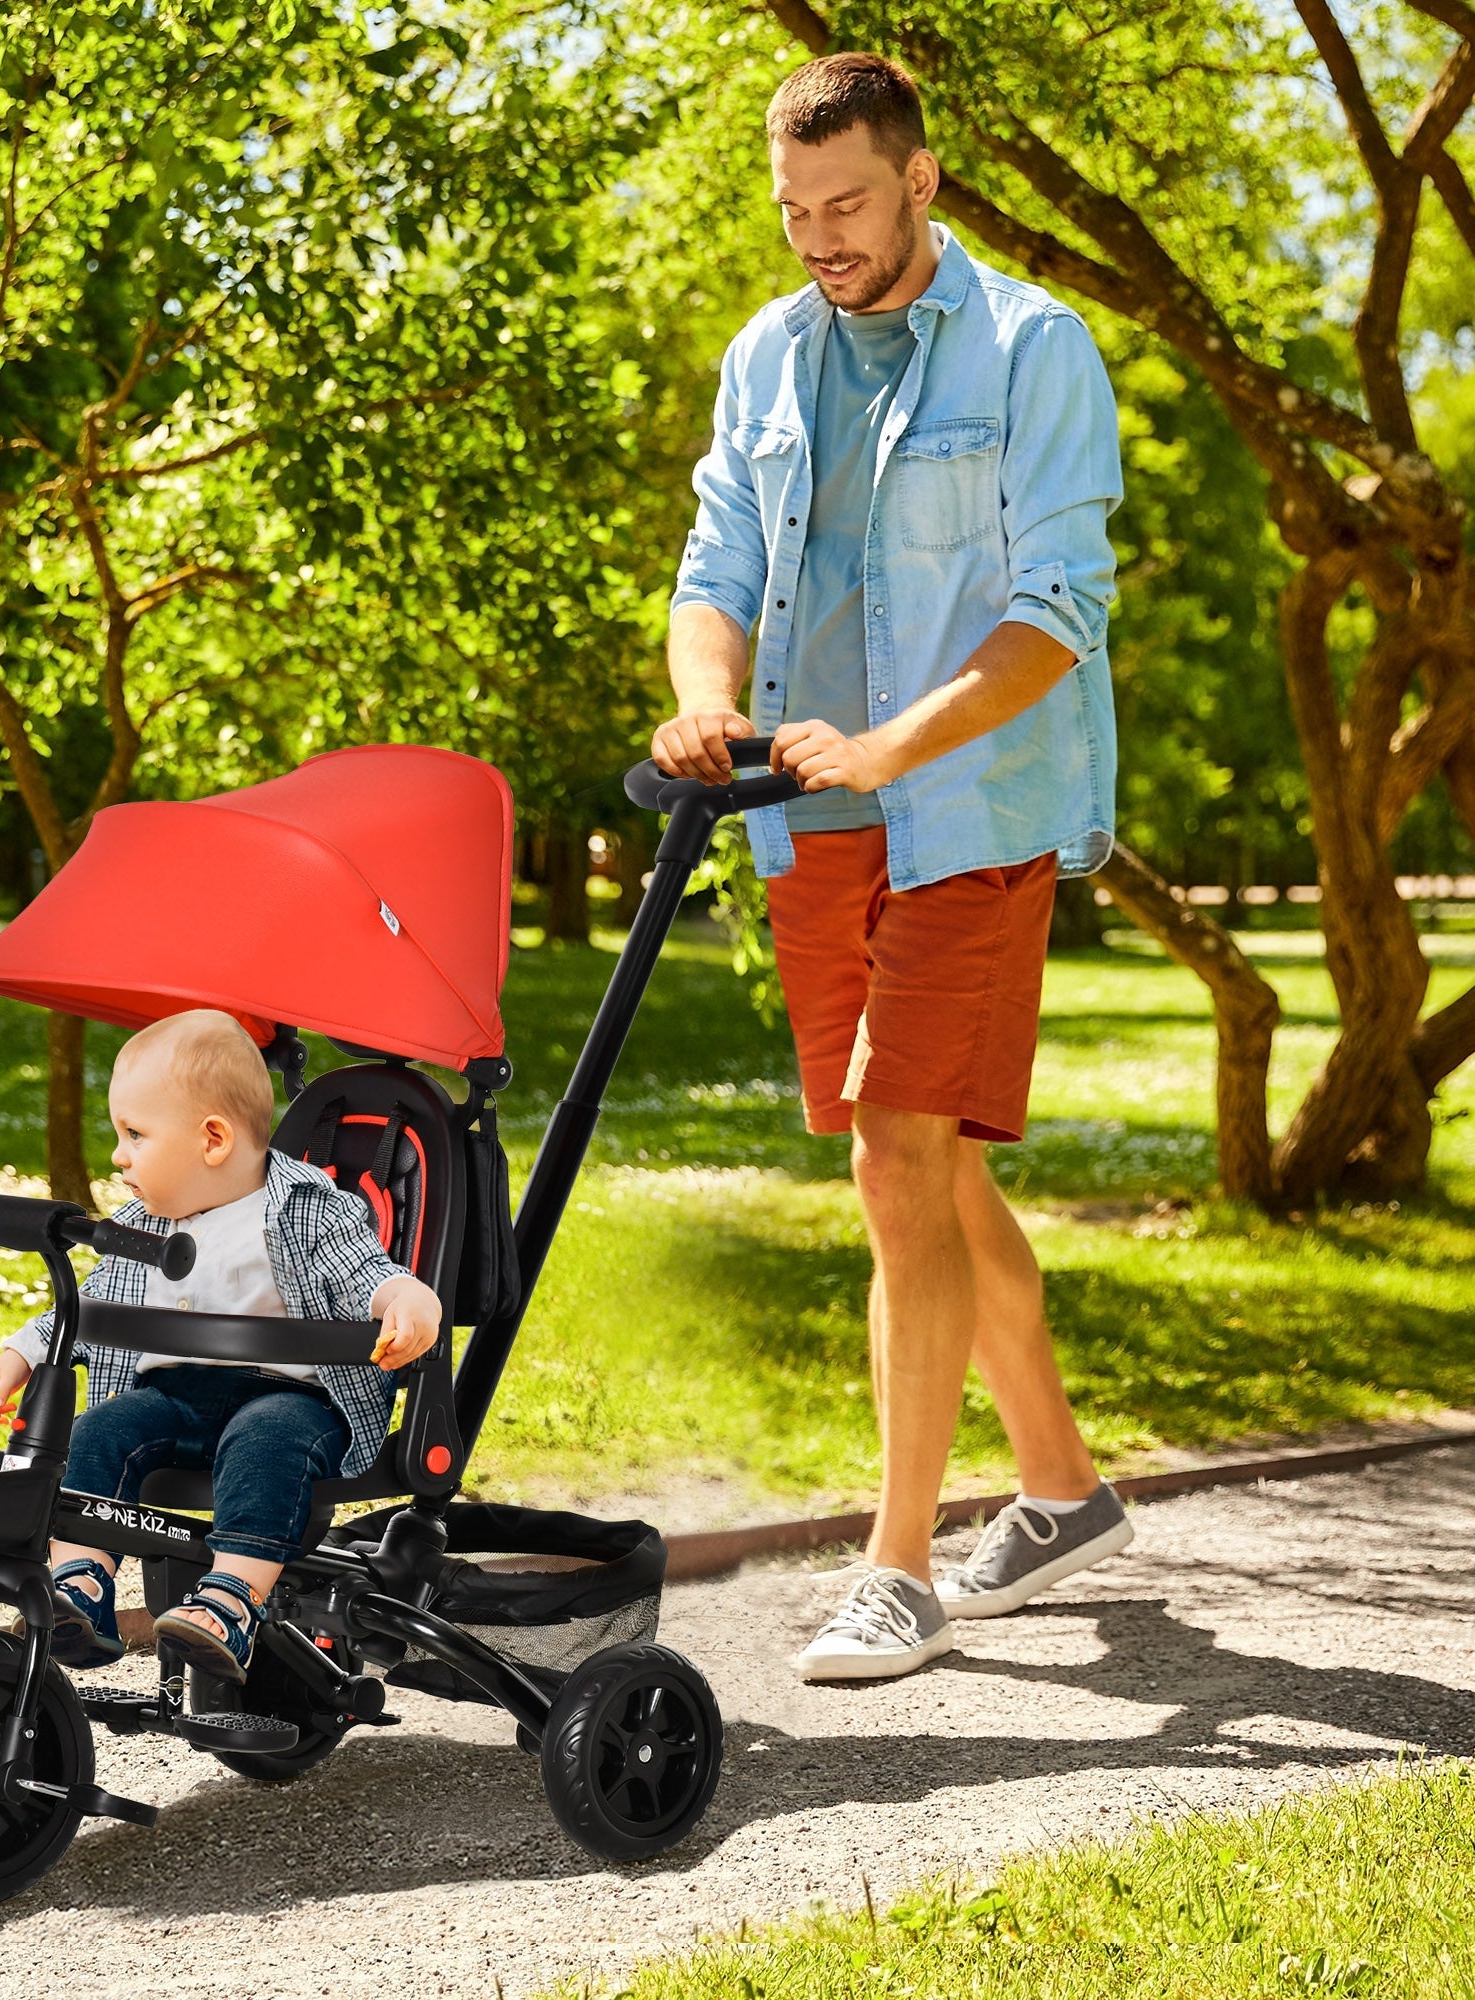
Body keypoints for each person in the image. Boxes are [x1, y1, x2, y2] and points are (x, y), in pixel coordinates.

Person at [654, 52, 1133, 1682]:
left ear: (920, 180)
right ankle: (1060, 1488)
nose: (819, 239)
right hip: (811, 823)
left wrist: (888, 748)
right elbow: (718, 562)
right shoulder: (772, 358)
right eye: (794, 212)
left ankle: (900, 1565)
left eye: (846, 204)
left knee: (892, 1165)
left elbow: (1060, 609)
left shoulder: (1030, 350)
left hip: (971, 816)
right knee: (925, 1162)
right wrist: (708, 703)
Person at [0, 1009, 441, 1678]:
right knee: (98, 1432)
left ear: (213, 1140)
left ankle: (231, 1599)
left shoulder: (307, 1208)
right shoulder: (141, 1224)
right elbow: (92, 1301)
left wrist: (407, 1303)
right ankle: (79, 1582)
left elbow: (370, 1275)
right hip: (175, 1397)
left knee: (266, 1439)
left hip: (291, 1399)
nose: (118, 1155)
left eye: (135, 1135)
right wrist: (24, 1350)